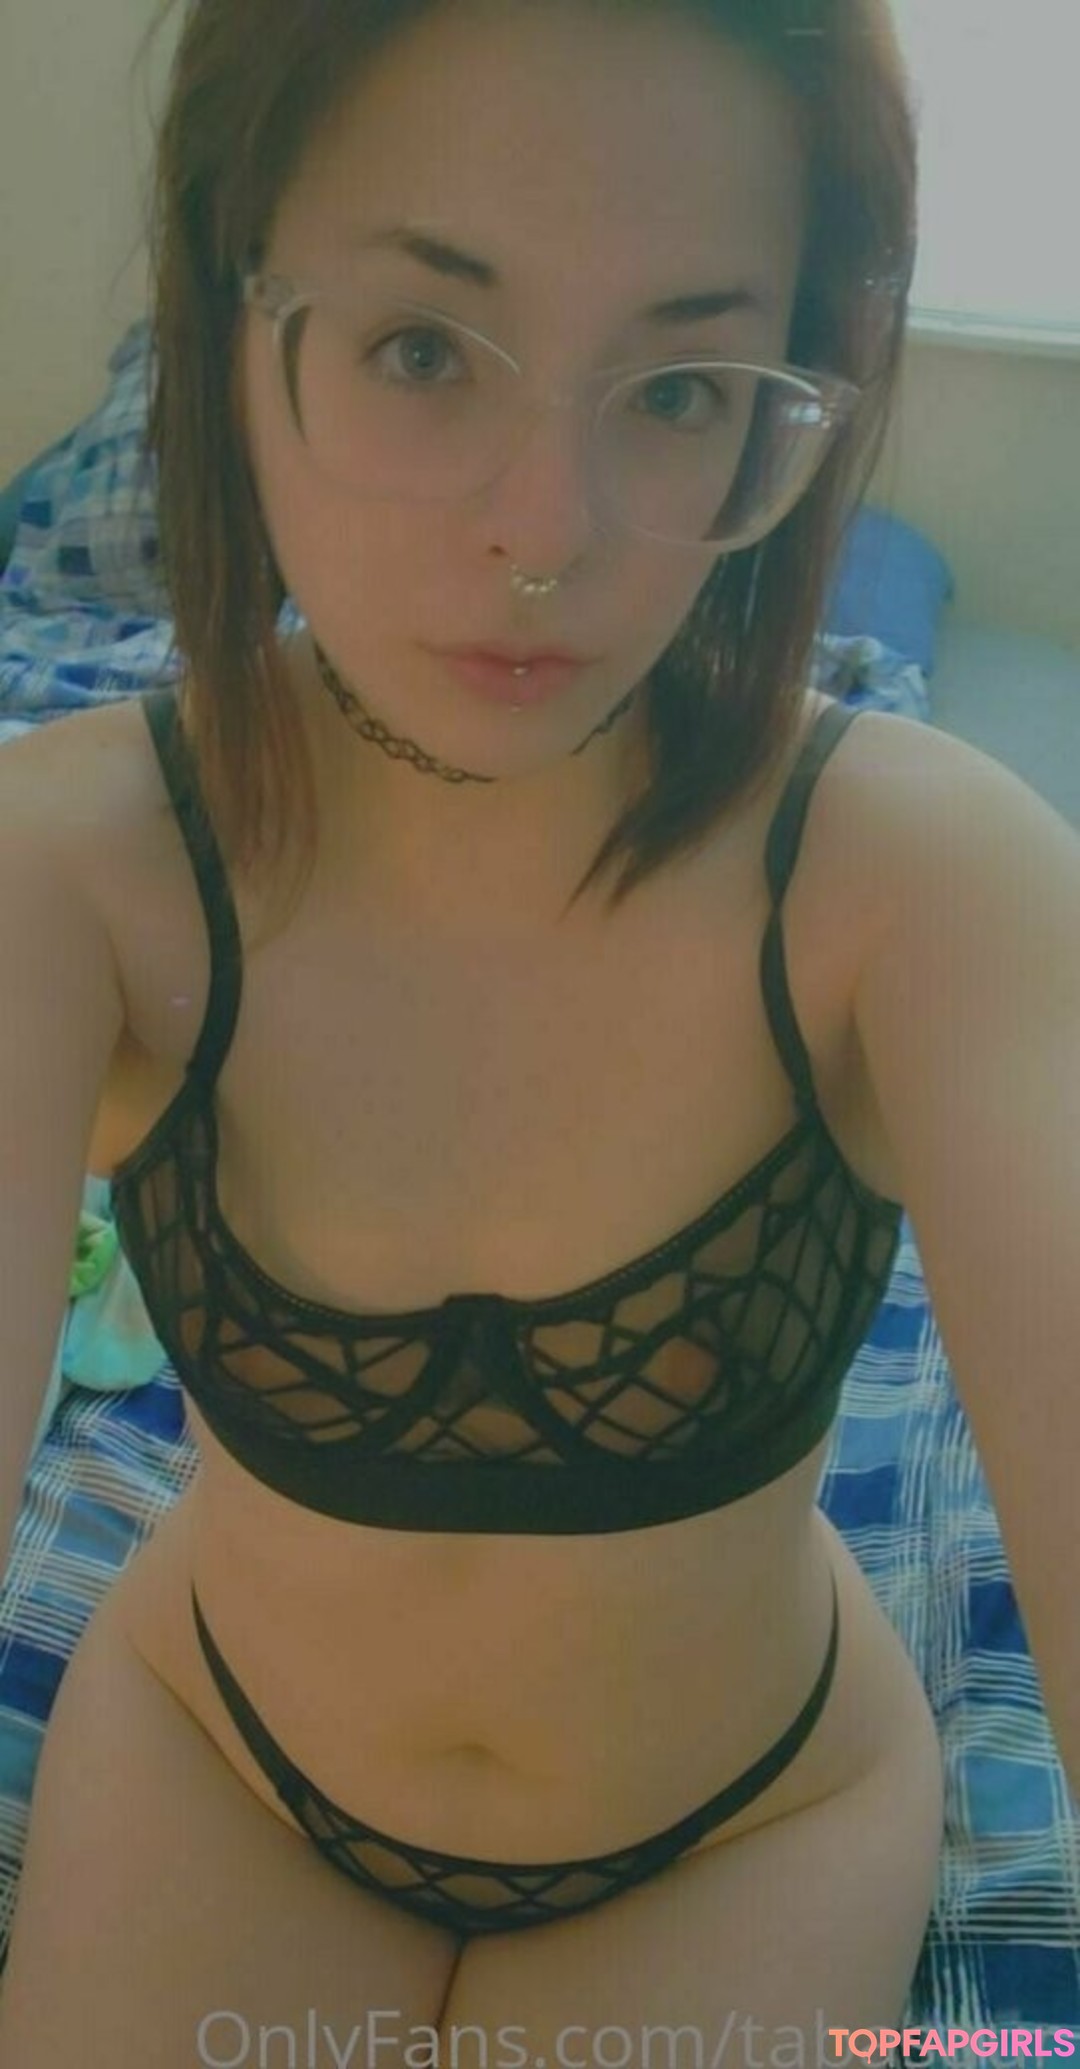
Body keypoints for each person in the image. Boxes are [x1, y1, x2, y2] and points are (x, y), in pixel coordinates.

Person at [1, 1, 1077, 2062]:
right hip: (223, 1759)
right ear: (232, 316)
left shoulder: (925, 885)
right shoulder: (70, 876)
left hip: (742, 1822)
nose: (548, 528)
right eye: (424, 349)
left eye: (676, 388)